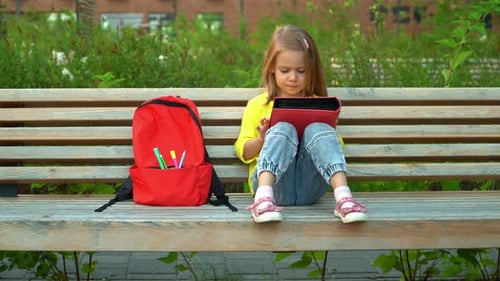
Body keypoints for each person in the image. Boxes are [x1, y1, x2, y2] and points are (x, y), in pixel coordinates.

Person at [233, 25, 367, 224]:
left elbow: (337, 149)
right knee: (282, 128)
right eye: (285, 70)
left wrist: (327, 131)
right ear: (271, 69)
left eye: (301, 71)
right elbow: (241, 150)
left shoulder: (318, 105)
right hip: (275, 187)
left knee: (318, 128)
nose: (293, 77)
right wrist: (262, 139)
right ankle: (263, 199)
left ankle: (344, 198)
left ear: (311, 71)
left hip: (310, 189)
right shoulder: (258, 105)